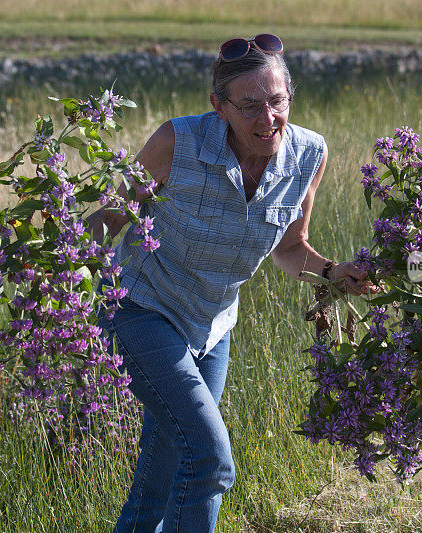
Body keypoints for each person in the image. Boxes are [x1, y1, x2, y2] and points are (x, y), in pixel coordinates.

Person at [86, 34, 377, 533]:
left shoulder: (309, 155)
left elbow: (289, 247)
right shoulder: (176, 144)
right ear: (218, 106)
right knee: (209, 460)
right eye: (249, 107)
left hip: (212, 326)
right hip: (141, 309)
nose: (268, 119)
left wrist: (333, 273)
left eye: (278, 101)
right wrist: (49, 254)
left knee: (164, 475)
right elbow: (112, 218)